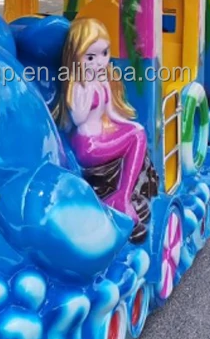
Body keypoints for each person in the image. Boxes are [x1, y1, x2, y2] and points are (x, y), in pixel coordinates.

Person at [54, 17, 146, 224]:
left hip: (102, 134)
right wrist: (87, 88)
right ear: (76, 57)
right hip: (87, 145)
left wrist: (129, 126)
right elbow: (78, 119)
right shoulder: (77, 85)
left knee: (138, 133)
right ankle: (122, 198)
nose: (99, 62)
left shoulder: (103, 79)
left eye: (104, 53)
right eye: (90, 57)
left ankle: (123, 194)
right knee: (136, 137)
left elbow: (111, 113)